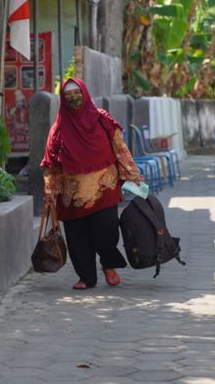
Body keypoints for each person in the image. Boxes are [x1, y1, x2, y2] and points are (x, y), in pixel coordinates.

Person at [41, 78, 145, 290]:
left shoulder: (101, 119)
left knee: (106, 233)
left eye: (76, 92)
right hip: (71, 193)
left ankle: (108, 264)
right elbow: (51, 162)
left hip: (103, 187)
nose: (73, 97)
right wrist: (50, 191)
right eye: (68, 94)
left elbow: (120, 147)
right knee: (77, 237)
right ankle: (86, 277)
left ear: (85, 93)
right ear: (63, 98)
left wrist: (134, 174)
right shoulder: (59, 127)